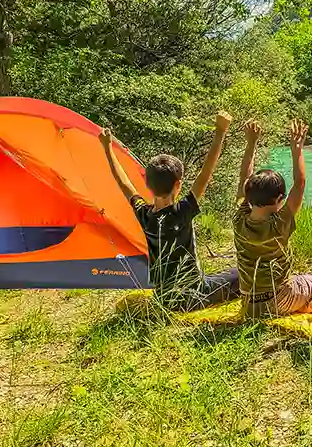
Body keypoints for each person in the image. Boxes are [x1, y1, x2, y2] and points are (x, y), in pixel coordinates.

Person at [101, 112, 240, 311]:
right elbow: (206, 173)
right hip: (195, 294)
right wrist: (220, 131)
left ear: (147, 184)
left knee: (223, 275)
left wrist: (107, 148)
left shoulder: (144, 214)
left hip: (164, 297)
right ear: (178, 184)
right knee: (241, 273)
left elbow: (123, 183)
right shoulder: (183, 210)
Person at [233, 119, 312, 323]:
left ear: (248, 195)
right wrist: (297, 148)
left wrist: (251, 143)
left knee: (298, 278)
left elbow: (244, 177)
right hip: (278, 300)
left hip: (249, 303)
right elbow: (301, 183)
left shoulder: (239, 219)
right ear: (279, 199)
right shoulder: (280, 223)